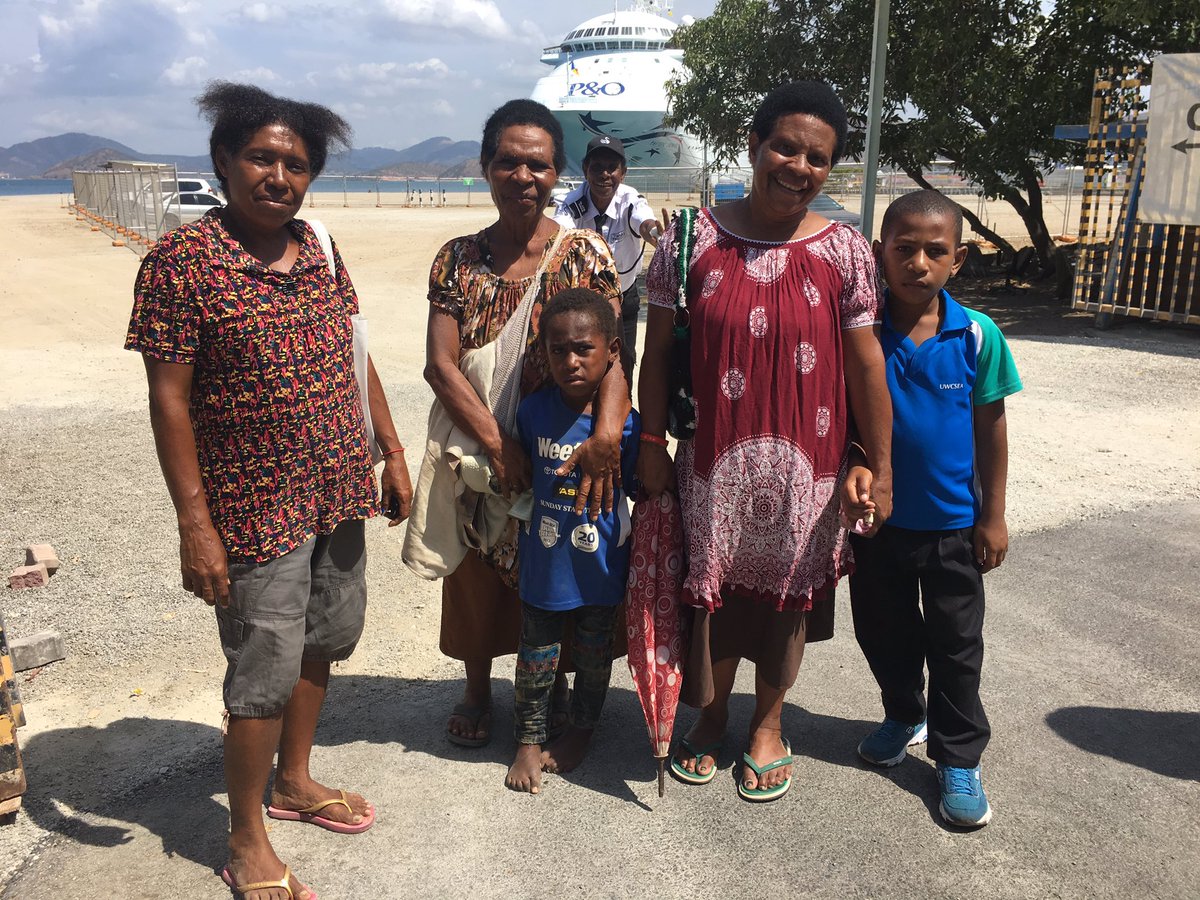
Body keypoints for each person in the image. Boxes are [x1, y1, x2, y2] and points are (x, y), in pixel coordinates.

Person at [126, 82, 413, 900]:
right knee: (261, 670)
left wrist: (391, 449)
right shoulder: (182, 264)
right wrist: (195, 526)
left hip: (338, 486)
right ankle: (246, 838)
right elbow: (169, 401)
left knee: (326, 636)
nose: (279, 176)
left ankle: (294, 779)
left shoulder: (318, 246)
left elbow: (354, 353)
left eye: (296, 163)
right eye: (261, 157)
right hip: (254, 506)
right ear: (223, 161)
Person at [638, 81, 894, 802]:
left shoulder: (846, 250)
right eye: (785, 147)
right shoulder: (689, 240)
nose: (799, 166)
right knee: (711, 596)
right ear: (754, 146)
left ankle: (769, 724)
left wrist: (879, 465)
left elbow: (866, 364)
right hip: (711, 463)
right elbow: (656, 354)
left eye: (818, 157)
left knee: (786, 602)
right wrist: (650, 440)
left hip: (810, 469)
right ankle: (713, 716)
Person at [423, 99, 629, 749]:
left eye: (538, 164)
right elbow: (440, 364)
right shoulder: (457, 259)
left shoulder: (583, 254)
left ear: (556, 173)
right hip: (480, 443)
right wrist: (497, 443)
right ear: (486, 167)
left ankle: (553, 689)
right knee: (477, 572)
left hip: (560, 446)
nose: (523, 176)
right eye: (508, 161)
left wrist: (605, 440)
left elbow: (614, 357)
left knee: (557, 562)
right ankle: (477, 689)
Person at [843, 189, 1022, 827]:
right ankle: (903, 714)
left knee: (956, 647)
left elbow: (991, 429)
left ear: (958, 259)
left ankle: (959, 757)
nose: (918, 263)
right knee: (883, 633)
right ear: (878, 253)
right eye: (904, 248)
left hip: (953, 529)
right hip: (878, 527)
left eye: (935, 251)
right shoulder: (858, 333)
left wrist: (992, 515)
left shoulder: (977, 334)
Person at [504, 288, 640, 794]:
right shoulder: (532, 413)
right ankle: (527, 739)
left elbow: (638, 484)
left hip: (601, 565)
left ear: (611, 350)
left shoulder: (624, 425)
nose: (571, 361)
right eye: (558, 350)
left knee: (593, 655)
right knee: (535, 653)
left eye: (584, 349)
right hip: (544, 564)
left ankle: (582, 729)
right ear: (543, 354)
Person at [553, 135, 663, 363]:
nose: (604, 174)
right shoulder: (570, 203)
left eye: (612, 167)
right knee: (585, 363)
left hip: (624, 298)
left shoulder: (631, 200)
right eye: (597, 167)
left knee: (624, 361)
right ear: (585, 170)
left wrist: (656, 234)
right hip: (583, 301)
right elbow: (560, 234)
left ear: (623, 173)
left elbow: (643, 222)